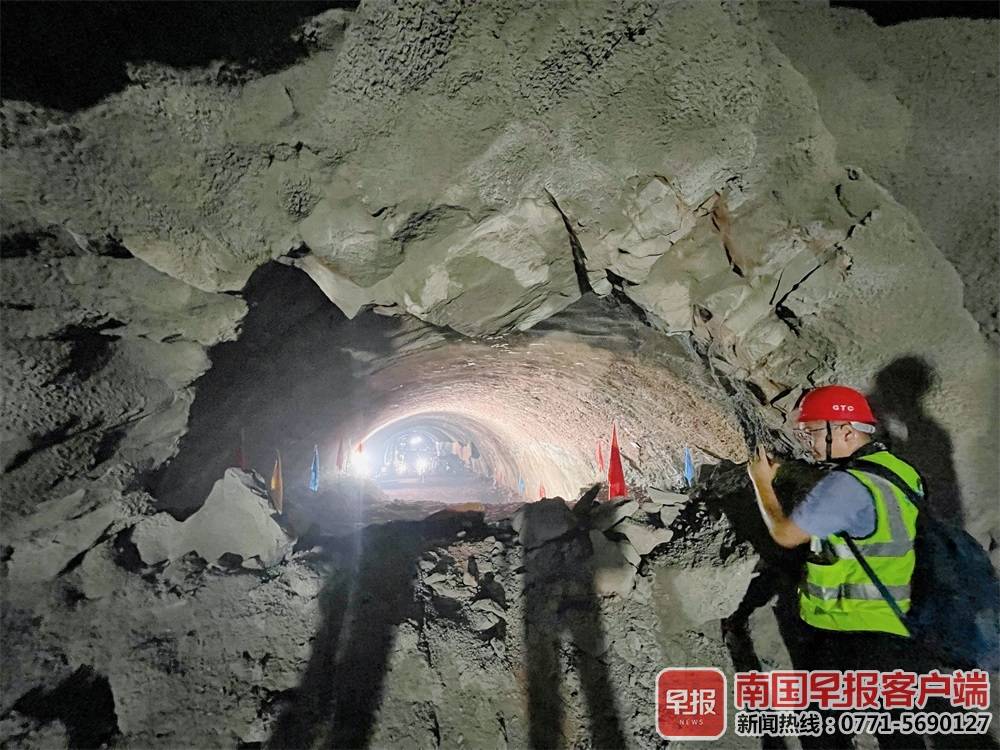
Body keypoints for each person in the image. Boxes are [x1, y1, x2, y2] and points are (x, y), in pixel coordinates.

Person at [747, 385, 923, 750]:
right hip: (897, 621)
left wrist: (762, 484)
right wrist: (791, 472)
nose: (807, 442)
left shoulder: (846, 485)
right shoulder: (900, 470)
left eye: (812, 432)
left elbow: (784, 534)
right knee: (899, 729)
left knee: (826, 724)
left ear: (844, 431)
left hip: (847, 628)